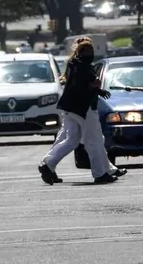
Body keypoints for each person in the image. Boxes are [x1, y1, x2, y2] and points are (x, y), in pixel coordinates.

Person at [39, 39, 124, 185]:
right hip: (84, 109)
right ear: (80, 52)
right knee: (95, 141)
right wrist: (95, 86)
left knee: (71, 140)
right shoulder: (82, 67)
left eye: (92, 51)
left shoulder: (74, 64)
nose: (91, 54)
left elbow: (81, 85)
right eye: (88, 52)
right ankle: (100, 174)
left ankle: (48, 164)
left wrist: (96, 89)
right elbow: (86, 85)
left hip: (70, 109)